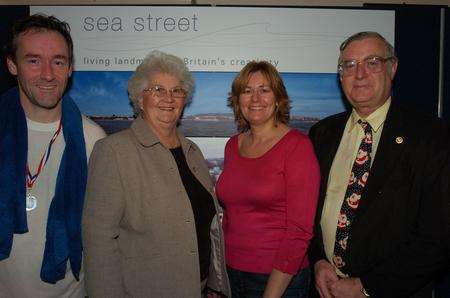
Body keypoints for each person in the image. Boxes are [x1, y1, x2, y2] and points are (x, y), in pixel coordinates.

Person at [309, 31, 450, 298]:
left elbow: (438, 235)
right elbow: (310, 212)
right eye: (349, 65)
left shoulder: (431, 137)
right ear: (340, 75)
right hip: (325, 288)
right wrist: (317, 260)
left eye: (372, 62)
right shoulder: (322, 134)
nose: (359, 73)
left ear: (392, 67)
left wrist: (366, 286)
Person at [82, 50, 230, 297]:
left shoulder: (193, 153)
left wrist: (214, 282)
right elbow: (98, 241)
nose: (168, 98)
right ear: (140, 98)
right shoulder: (114, 151)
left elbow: (205, 225)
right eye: (158, 89)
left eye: (176, 91)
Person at [0, 14, 105, 297]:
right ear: (13, 65)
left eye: (58, 61)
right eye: (33, 60)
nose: (48, 73)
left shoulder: (93, 138)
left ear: (70, 68)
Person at [216, 61, 320, 297]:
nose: (255, 99)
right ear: (237, 100)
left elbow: (300, 231)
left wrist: (271, 294)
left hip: (279, 279)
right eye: (247, 90)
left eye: (264, 90)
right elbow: (231, 217)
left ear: (278, 98)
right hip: (232, 274)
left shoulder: (297, 147)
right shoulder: (233, 145)